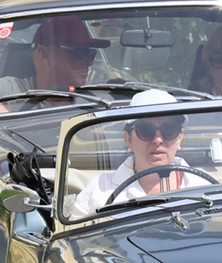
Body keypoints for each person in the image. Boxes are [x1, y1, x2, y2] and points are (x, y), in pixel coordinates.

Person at [70, 91, 212, 216]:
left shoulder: (204, 187)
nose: (158, 140)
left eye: (169, 130)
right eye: (146, 130)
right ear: (128, 139)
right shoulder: (99, 189)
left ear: (180, 137)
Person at [0, 16, 108, 111]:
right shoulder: (8, 91)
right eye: (80, 52)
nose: (90, 62)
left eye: (91, 53)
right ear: (44, 55)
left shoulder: (95, 101)